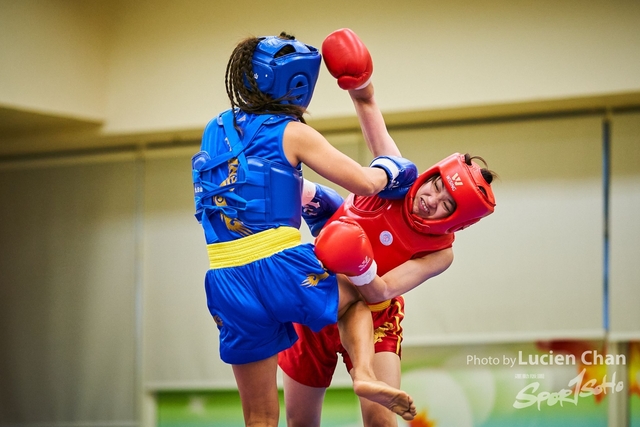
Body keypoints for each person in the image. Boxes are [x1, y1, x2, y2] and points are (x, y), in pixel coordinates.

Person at [191, 31, 420, 426]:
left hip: (224, 281)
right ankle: (364, 376)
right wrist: (394, 170)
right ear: (299, 83)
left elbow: (249, 186)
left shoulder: (215, 128)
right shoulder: (292, 132)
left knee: (260, 416)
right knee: (358, 297)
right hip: (279, 266)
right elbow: (364, 183)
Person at [278, 28, 498, 427]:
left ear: (454, 222)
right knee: (299, 424)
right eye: (436, 185)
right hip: (318, 290)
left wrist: (356, 257)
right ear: (430, 175)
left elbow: (380, 290)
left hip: (374, 311)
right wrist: (356, 79)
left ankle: (365, 376)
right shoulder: (399, 176)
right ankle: (311, 198)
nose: (430, 199)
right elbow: (367, 101)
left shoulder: (440, 252)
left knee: (382, 423)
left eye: (445, 205)